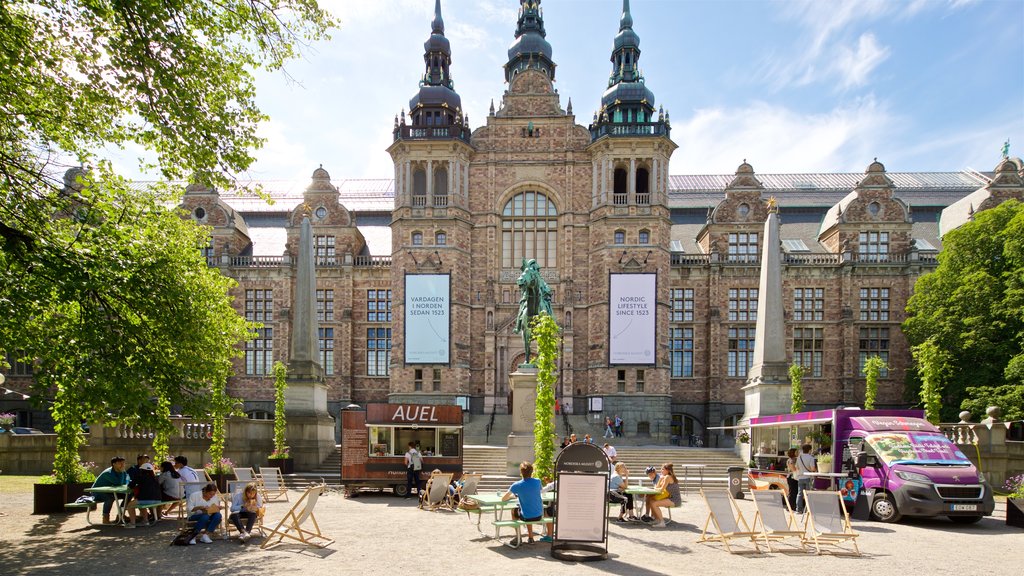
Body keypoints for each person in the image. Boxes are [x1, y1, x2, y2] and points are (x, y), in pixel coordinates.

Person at [501, 461, 552, 543]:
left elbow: (503, 499)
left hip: (527, 517)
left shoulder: (516, 485)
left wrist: (512, 496)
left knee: (515, 510)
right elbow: (539, 490)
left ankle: (518, 537)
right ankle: (530, 537)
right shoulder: (537, 481)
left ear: (521, 472)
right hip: (539, 515)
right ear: (532, 472)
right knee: (528, 508)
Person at [91, 456, 129, 524]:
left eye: (123, 463)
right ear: (114, 464)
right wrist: (122, 472)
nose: (122, 465)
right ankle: (105, 518)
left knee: (128, 495)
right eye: (120, 463)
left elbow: (124, 483)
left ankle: (120, 515)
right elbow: (119, 483)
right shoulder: (108, 473)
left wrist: (123, 473)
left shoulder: (122, 471)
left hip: (110, 491)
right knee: (110, 498)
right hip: (97, 492)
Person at [125, 462, 162, 527]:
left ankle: (132, 523)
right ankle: (145, 521)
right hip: (158, 500)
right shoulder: (155, 478)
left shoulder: (140, 476)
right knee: (140, 504)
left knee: (130, 505)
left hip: (146, 499)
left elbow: (130, 486)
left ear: (141, 470)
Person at [645, 463, 681, 528]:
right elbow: (658, 486)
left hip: (675, 500)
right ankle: (657, 520)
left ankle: (662, 522)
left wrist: (655, 487)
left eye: (663, 469)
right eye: (661, 469)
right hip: (670, 498)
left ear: (668, 470)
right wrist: (660, 479)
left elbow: (660, 489)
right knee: (651, 501)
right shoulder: (664, 477)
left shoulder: (668, 477)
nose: (661, 471)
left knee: (654, 503)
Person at [794, 443, 817, 514]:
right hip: (808, 477)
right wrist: (815, 470)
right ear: (809, 450)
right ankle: (808, 510)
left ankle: (798, 509)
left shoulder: (799, 457)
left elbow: (796, 467)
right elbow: (813, 469)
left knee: (800, 494)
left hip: (800, 477)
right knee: (808, 494)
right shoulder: (811, 458)